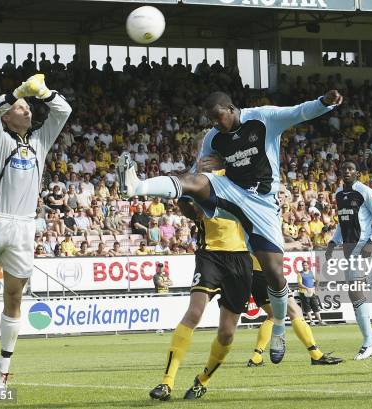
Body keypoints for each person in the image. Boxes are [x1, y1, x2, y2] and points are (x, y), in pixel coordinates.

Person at [118, 90, 342, 363]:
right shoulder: (213, 137)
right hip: (232, 191)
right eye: (211, 120)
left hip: (262, 201)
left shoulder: (263, 119)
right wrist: (196, 176)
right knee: (194, 181)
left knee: (274, 272)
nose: (215, 124)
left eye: (218, 117)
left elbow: (298, 112)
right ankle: (136, 186)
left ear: (231, 108)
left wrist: (324, 103)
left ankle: (280, 329)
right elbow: (193, 170)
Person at [0, 74, 71, 391]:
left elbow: (64, 111)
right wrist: (17, 92)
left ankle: (2, 369)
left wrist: (43, 93)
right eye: (21, 107)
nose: (27, 111)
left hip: (23, 228)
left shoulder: (40, 142)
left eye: (28, 108)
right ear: (7, 116)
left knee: (14, 296)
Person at [149, 197, 253, 401]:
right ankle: (167, 382)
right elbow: (187, 204)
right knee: (194, 312)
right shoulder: (204, 180)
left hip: (241, 259)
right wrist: (190, 203)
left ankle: (202, 381)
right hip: (210, 256)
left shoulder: (242, 181)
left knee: (226, 333)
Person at [325, 160, 372, 360]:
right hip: (349, 247)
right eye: (344, 169)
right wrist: (334, 241)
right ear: (340, 172)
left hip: (364, 246)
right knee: (355, 293)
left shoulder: (364, 191)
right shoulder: (338, 194)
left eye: (351, 169)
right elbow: (343, 223)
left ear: (357, 173)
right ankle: (371, 341)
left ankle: (370, 342)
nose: (347, 171)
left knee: (356, 291)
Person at [246, 257, 341, 366]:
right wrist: (295, 243)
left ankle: (256, 357)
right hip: (269, 273)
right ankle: (316, 354)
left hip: (254, 277)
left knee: (272, 316)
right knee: (295, 312)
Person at [296, 260, 325, 326]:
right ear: (302, 266)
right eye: (303, 265)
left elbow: (317, 280)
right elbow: (299, 284)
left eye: (306, 265)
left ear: (308, 266)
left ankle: (320, 321)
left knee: (315, 306)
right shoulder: (300, 274)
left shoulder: (311, 273)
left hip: (312, 292)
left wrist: (316, 287)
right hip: (304, 293)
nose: (305, 266)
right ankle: (311, 321)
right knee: (307, 308)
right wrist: (307, 288)